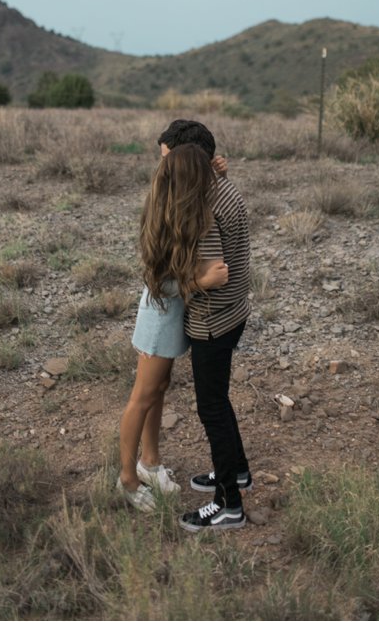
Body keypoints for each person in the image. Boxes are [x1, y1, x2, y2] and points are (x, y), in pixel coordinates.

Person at [117, 143, 229, 512]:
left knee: (159, 388)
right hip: (160, 316)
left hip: (170, 314)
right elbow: (167, 283)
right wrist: (202, 284)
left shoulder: (167, 202)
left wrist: (220, 175)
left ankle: (149, 462)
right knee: (143, 396)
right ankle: (128, 479)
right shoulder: (167, 223)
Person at [157, 119, 251, 532]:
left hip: (213, 320)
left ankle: (228, 504)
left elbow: (213, 274)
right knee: (220, 401)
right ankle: (238, 471)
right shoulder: (219, 186)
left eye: (167, 161)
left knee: (211, 408)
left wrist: (178, 282)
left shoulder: (204, 207)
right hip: (233, 314)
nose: (162, 169)